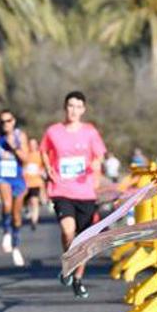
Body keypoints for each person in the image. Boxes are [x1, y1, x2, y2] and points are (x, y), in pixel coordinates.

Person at [40, 91, 106, 299]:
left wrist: (97, 163)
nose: (74, 110)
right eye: (70, 106)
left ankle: (77, 277)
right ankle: (68, 262)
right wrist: (48, 166)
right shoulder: (53, 131)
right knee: (68, 232)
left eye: (78, 107)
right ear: (65, 108)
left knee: (83, 240)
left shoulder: (90, 131)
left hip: (85, 193)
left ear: (83, 110)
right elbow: (44, 150)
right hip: (61, 191)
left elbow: (100, 154)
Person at [0, 109, 27, 266]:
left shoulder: (20, 136)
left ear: (14, 121)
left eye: (8, 120)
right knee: (7, 204)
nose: (5, 124)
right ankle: (6, 232)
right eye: (2, 121)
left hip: (18, 179)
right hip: (2, 177)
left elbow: (25, 158)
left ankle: (16, 246)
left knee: (17, 215)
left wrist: (14, 147)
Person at [21, 136, 46, 229]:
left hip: (36, 182)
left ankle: (34, 221)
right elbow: (22, 166)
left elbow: (44, 167)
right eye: (30, 144)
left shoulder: (40, 155)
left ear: (37, 145)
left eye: (34, 144)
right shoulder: (25, 155)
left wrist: (42, 171)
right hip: (25, 182)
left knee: (34, 201)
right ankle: (26, 209)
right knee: (23, 200)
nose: (32, 146)